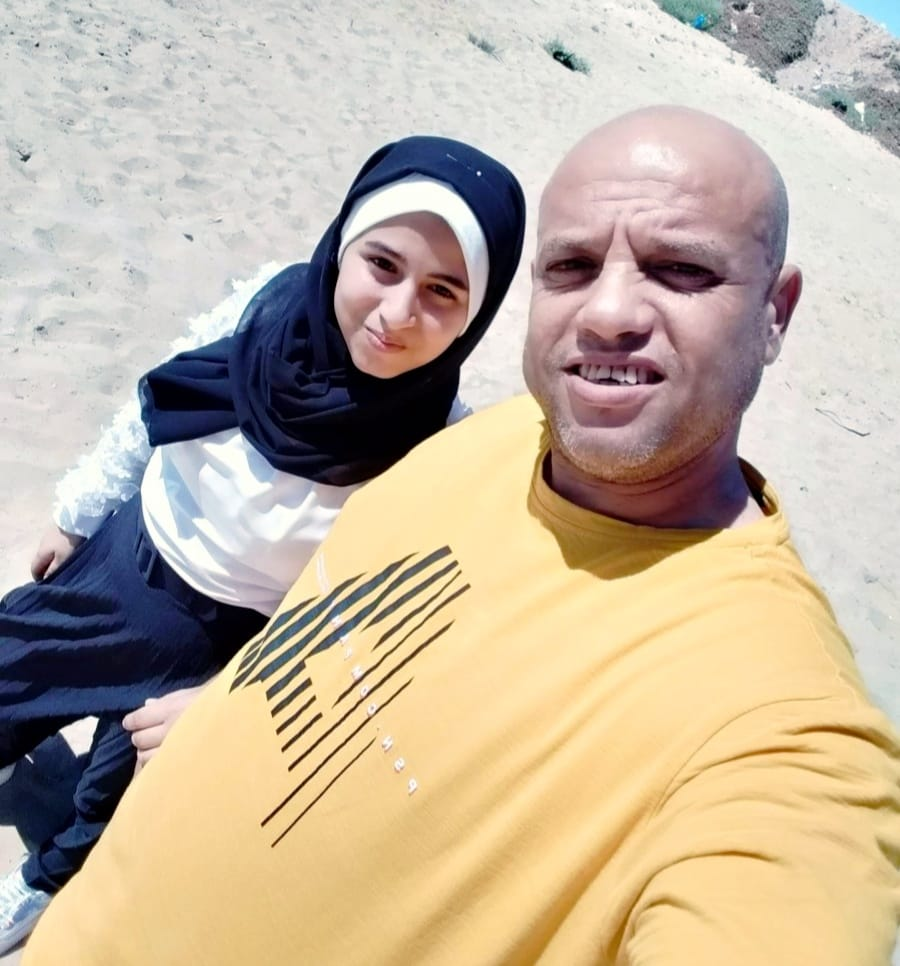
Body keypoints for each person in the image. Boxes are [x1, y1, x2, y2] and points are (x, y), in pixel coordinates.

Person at [25, 106, 900, 965]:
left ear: (775, 311)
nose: (607, 313)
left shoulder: (782, 731)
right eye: (572, 265)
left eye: (680, 270)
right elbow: (326, 618)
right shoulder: (493, 440)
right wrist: (227, 707)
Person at [0, 134, 526, 952]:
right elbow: (162, 397)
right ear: (342, 246)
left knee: (119, 792)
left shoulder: (433, 440)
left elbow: (363, 613)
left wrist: (227, 701)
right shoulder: (270, 310)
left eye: (442, 292)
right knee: (16, 665)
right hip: (128, 562)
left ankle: (42, 884)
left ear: (476, 315)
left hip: (232, 641)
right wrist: (77, 512)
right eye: (382, 264)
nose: (397, 313)